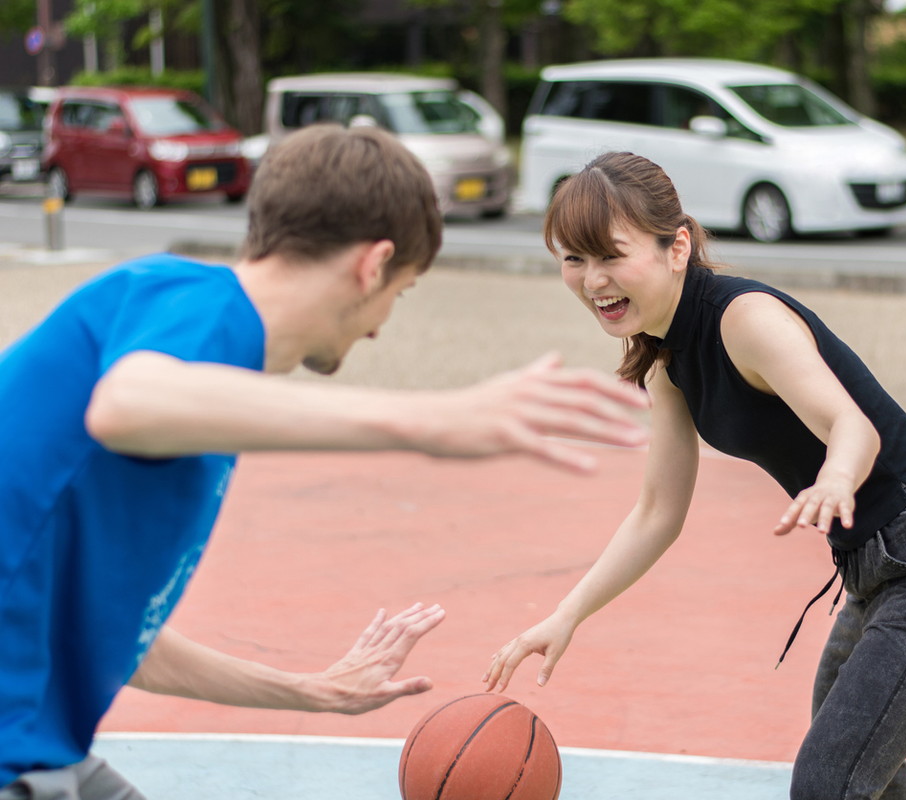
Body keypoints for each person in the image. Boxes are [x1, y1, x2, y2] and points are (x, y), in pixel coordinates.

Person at [0, 125, 650, 800]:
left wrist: (313, 690)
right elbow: (124, 404)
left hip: (40, 745)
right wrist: (431, 419)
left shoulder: (193, 350)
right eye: (399, 293)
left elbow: (121, 636)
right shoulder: (202, 313)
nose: (378, 327)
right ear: (372, 266)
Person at [483, 152, 906, 800]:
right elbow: (657, 513)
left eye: (610, 255)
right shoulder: (667, 361)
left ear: (676, 246)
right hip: (880, 569)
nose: (593, 279)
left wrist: (837, 479)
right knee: (860, 769)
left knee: (828, 782)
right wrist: (566, 615)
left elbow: (854, 427)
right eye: (573, 258)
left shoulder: (745, 320)